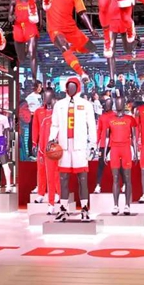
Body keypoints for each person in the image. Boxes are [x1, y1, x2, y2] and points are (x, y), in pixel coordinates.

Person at [33, 0, 98, 80]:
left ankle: (73, 48)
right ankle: (82, 73)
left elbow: (82, 13)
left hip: (72, 29)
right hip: (55, 29)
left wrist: (91, 29)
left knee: (91, 48)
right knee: (64, 47)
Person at [48, 77, 97, 221]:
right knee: (63, 178)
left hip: (80, 146)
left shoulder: (86, 104)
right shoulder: (59, 105)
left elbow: (91, 125)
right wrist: (51, 139)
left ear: (78, 88)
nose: (71, 89)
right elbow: (55, 124)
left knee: (83, 178)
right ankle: (63, 209)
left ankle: (84, 209)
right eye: (68, 86)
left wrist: (92, 144)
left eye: (73, 86)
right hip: (63, 146)